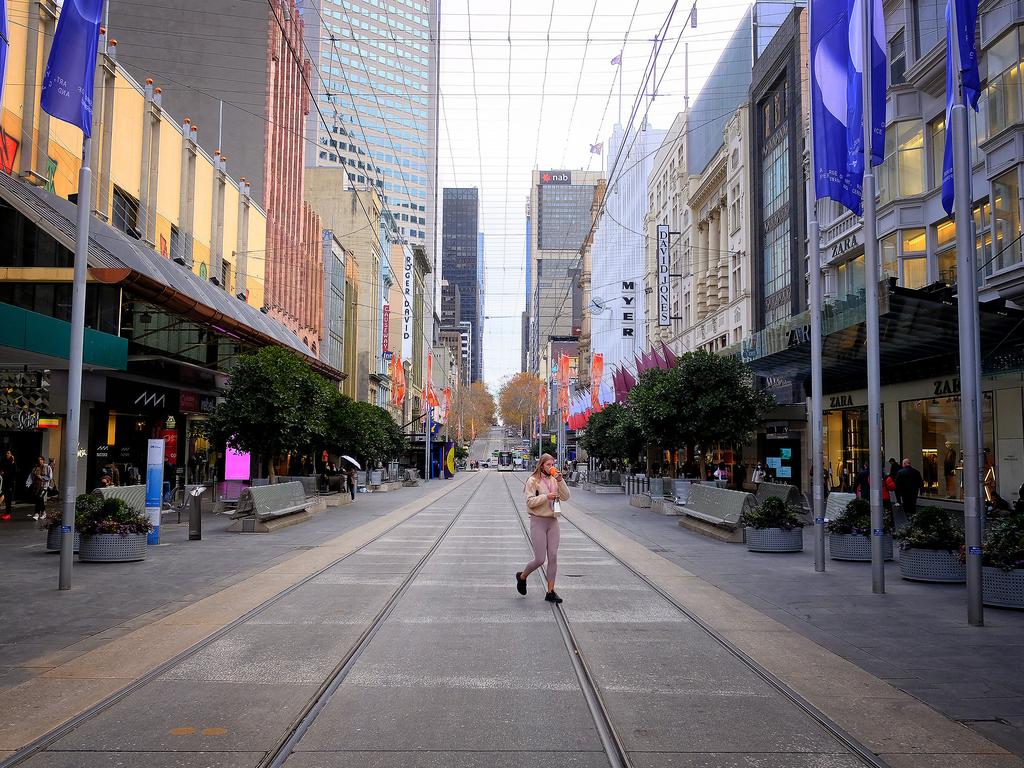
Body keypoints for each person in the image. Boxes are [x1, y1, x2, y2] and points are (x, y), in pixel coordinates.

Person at [516, 453, 570, 604]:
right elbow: (530, 502)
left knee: (553, 556)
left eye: (552, 464)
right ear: (541, 465)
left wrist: (561, 481)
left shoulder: (554, 480)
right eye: (548, 464)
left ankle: (550, 591)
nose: (551, 467)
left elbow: (566, 497)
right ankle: (522, 576)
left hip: (553, 521)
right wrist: (546, 497)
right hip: (538, 521)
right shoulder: (533, 481)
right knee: (540, 559)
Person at [1, 450, 16, 515]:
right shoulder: (4, 462)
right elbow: (3, 470)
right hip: (4, 482)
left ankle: (8, 511)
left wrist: (13, 461)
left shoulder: (12, 463)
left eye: (8, 453)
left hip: (10, 483)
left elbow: (13, 473)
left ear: (11, 455)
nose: (7, 454)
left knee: (8, 497)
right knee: (5, 497)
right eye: (6, 453)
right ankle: (7, 511)